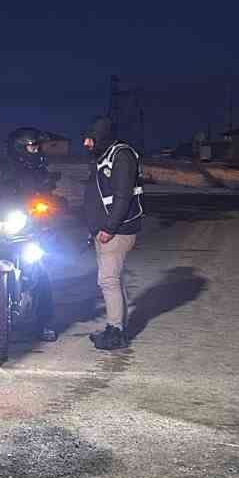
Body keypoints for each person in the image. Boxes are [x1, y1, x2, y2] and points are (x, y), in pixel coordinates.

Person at [82, 114, 143, 349]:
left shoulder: (122, 156)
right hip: (105, 230)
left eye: (90, 139)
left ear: (102, 137)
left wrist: (109, 227)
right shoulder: (105, 156)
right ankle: (116, 327)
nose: (86, 144)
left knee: (107, 280)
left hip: (117, 230)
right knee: (112, 280)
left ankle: (115, 332)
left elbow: (123, 196)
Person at [3, 127, 57, 342]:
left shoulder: (39, 171)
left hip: (27, 228)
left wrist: (50, 205)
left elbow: (48, 192)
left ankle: (43, 324)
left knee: (42, 273)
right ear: (19, 148)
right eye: (32, 147)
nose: (37, 151)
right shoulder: (0, 168)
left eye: (37, 147)